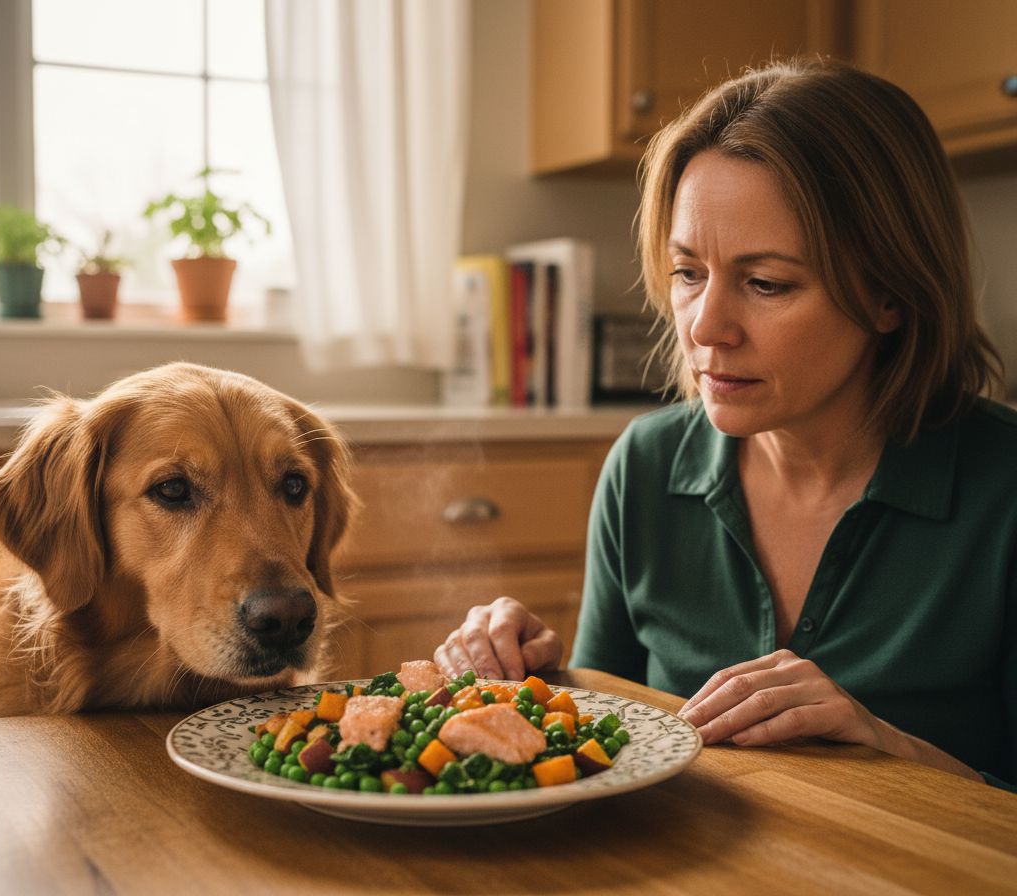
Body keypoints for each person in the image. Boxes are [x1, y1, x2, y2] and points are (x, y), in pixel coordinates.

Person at [434, 58, 1017, 791]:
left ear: (890, 294)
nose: (706, 325)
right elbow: (599, 756)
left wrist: (878, 742)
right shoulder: (644, 467)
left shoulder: (1004, 491)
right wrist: (540, 677)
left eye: (766, 283)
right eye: (688, 272)